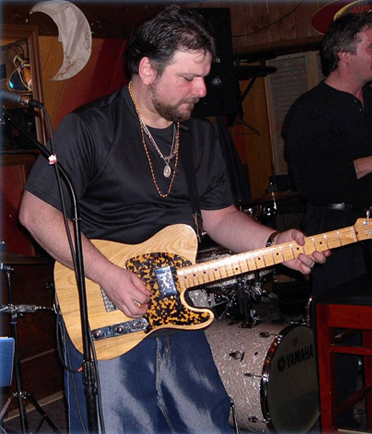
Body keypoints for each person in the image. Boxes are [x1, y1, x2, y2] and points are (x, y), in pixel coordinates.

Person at [19, 6, 328, 434]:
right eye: (187, 78)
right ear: (147, 70)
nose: (202, 89)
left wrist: (274, 240)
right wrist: (109, 275)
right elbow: (36, 213)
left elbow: (220, 219)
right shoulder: (89, 128)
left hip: (175, 305)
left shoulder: (200, 137)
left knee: (207, 422)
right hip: (105, 310)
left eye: (204, 76)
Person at [283, 11, 372, 430]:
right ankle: (341, 414)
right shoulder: (308, 110)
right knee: (340, 332)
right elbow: (308, 182)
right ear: (344, 55)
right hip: (336, 235)